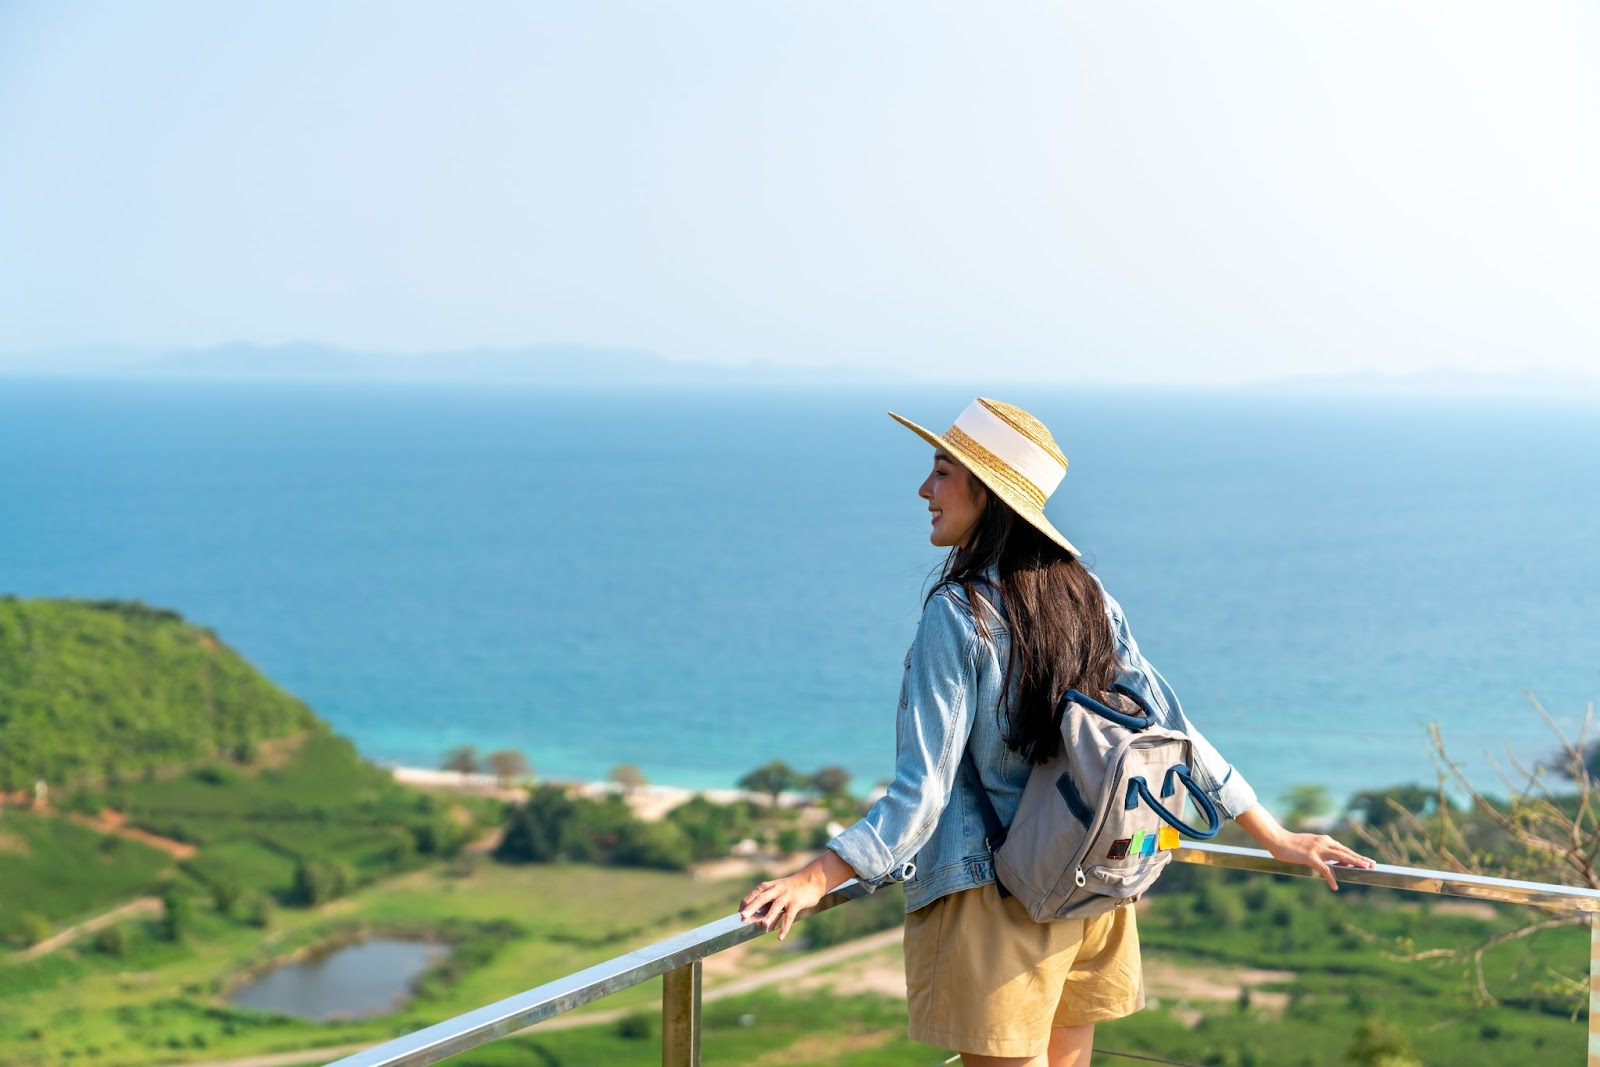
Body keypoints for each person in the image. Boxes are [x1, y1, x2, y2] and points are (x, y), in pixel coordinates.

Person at [739, 398, 1374, 1067]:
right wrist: (1273, 834)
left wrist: (819, 875)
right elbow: (1173, 733)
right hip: (1094, 886)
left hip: (998, 902)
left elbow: (921, 793)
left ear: (988, 493)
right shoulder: (1087, 595)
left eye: (943, 471)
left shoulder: (958, 614)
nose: (925, 490)